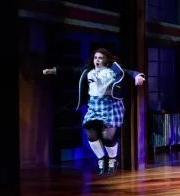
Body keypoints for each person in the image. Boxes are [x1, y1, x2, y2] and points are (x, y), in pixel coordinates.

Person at [43, 48, 145, 176]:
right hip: (94, 104)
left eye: (100, 58)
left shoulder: (113, 70)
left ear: (106, 59)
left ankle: (113, 159)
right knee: (90, 132)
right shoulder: (88, 71)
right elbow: (72, 70)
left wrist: (138, 76)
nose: (97, 60)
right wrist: (54, 70)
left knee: (107, 137)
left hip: (111, 104)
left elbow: (130, 73)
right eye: (95, 57)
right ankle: (101, 159)